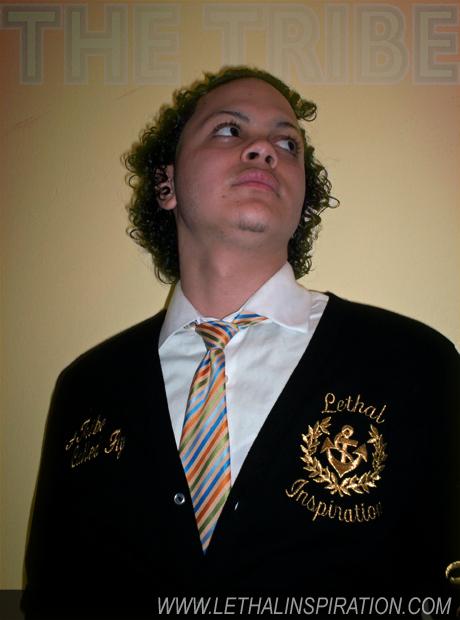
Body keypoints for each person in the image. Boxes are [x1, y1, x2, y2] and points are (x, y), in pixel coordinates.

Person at [22, 66, 459, 619]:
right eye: (229, 130)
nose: (264, 149)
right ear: (166, 185)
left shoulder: (417, 363)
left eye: (287, 143)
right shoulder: (87, 387)